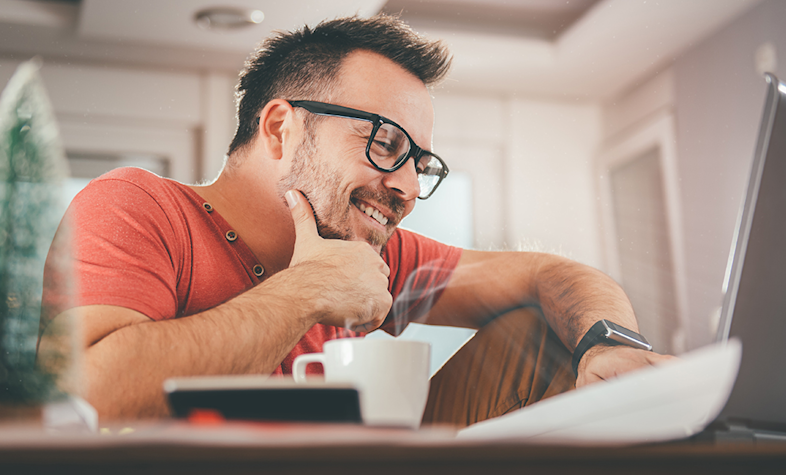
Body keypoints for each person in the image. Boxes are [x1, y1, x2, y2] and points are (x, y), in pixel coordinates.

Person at [38, 14, 670, 423]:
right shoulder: (139, 207)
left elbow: (551, 276)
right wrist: (309, 291)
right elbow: (90, 391)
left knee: (550, 331)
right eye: (386, 144)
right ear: (282, 128)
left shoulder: (374, 258)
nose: (407, 188)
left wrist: (608, 343)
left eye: (420, 162)